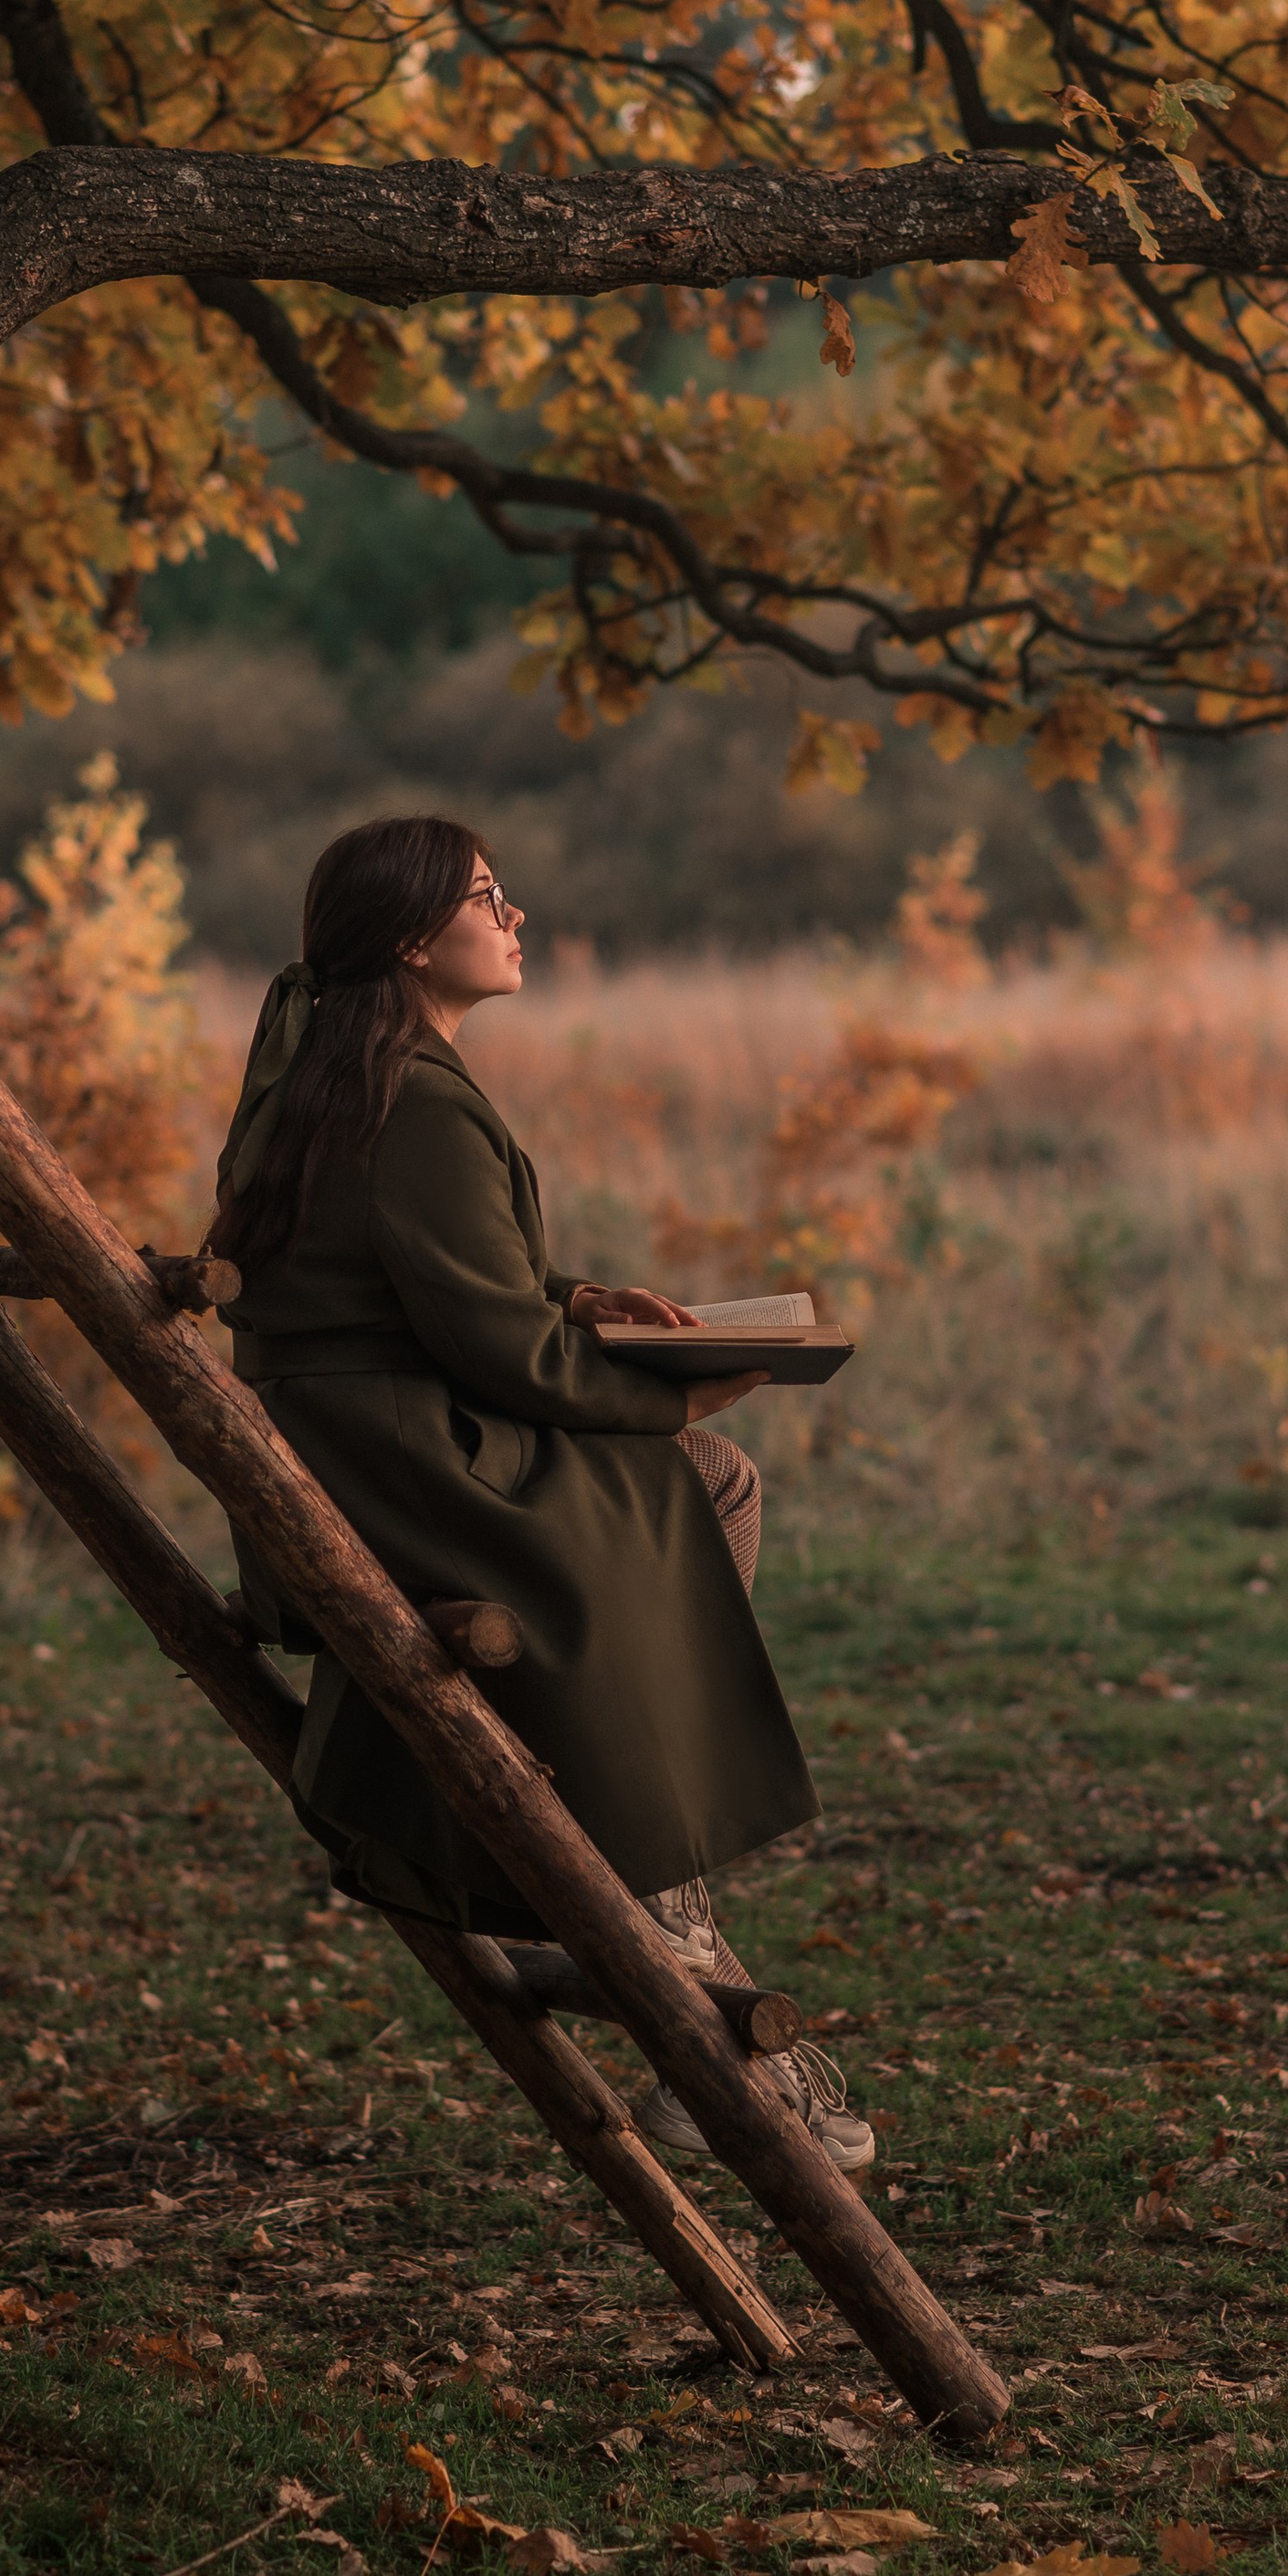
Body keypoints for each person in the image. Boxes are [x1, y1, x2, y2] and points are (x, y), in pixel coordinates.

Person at [207, 814, 872, 2172]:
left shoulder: (333, 1073)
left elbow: (411, 1275)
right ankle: (644, 1803)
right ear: (413, 938)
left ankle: (640, 1789)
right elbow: (495, 1347)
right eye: (487, 899)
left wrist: (579, 1294)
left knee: (691, 1489)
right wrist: (677, 1387)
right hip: (420, 1466)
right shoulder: (418, 1093)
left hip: (361, 1448)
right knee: (708, 1473)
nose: (516, 919)